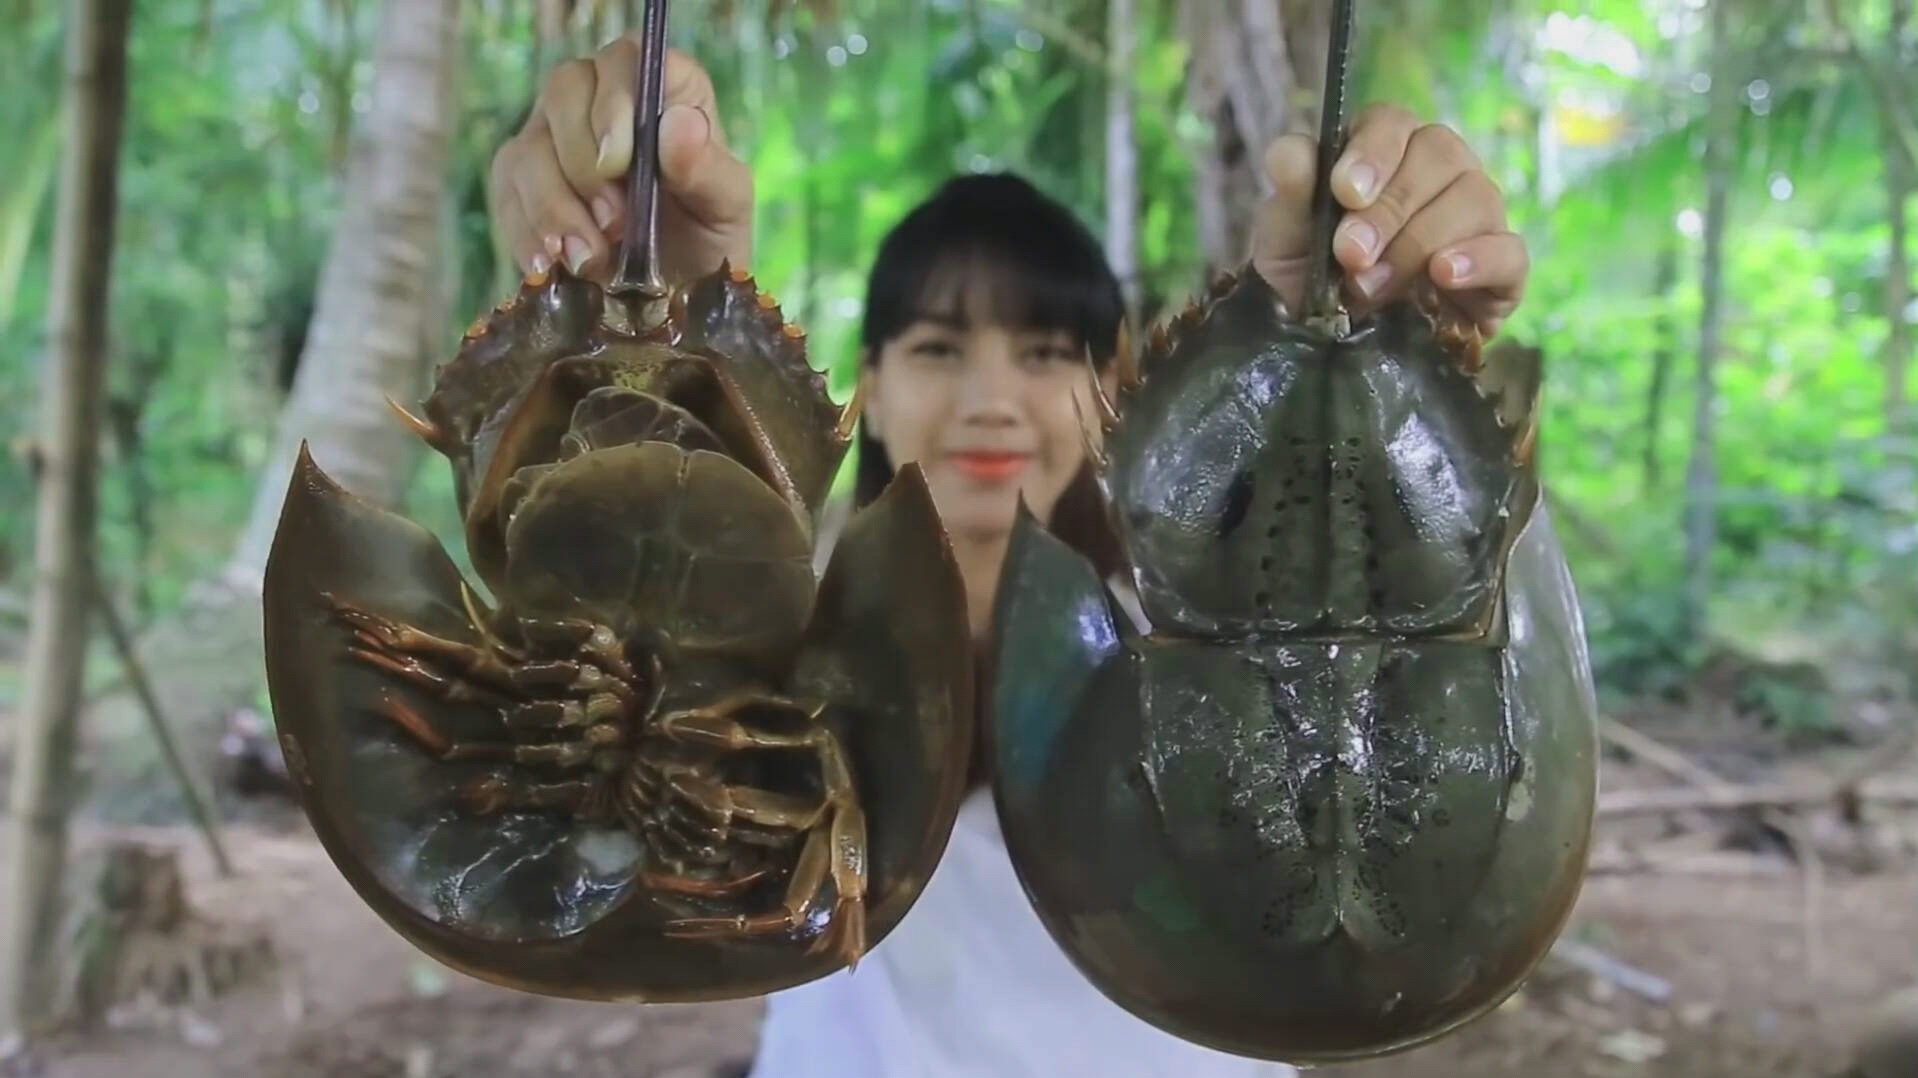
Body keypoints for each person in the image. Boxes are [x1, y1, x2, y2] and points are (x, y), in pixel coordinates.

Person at [489, 33, 1531, 1078]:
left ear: (1107, 397)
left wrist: (1369, 371)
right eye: (940, 348)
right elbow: (600, 850)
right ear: (873, 386)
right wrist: (659, 367)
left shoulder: (1210, 650)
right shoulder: (767, 649)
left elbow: (1411, 866)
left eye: (1043, 353)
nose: (991, 401)